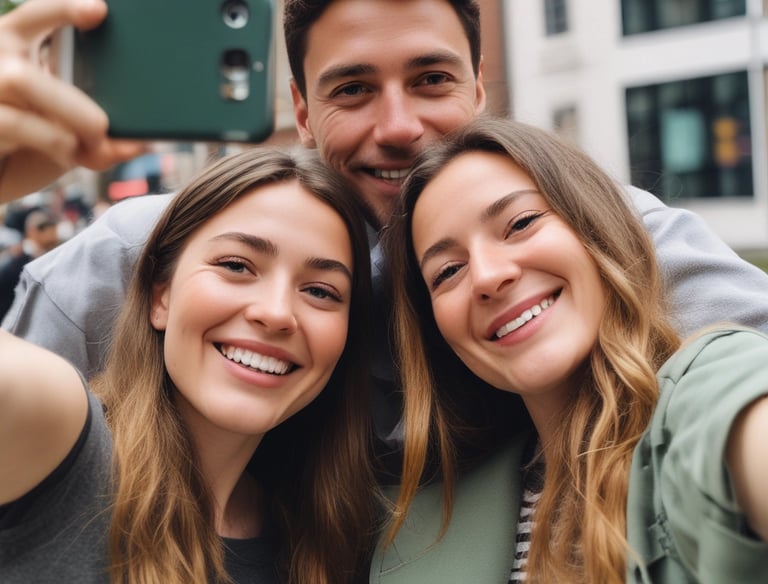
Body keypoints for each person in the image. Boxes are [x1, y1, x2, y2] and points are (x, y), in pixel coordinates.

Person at [3, 0, 768, 470]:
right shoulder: (137, 254)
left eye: (432, 80)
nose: (399, 126)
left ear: (479, 88)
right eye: (354, 89)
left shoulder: (593, 239)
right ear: (303, 112)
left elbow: (744, 384)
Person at [375, 116, 768, 583]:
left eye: (520, 223)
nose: (487, 276)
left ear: (596, 228)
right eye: (447, 271)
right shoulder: (421, 513)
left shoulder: (705, 396)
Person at [0, 146, 378, 583]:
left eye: (320, 291)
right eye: (236, 265)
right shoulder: (61, 437)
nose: (276, 313)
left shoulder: (331, 535)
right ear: (160, 296)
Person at [0, 207, 58, 319]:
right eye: (43, 226)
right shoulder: (13, 266)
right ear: (31, 231)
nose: (50, 230)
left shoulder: (56, 256)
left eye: (52, 224)